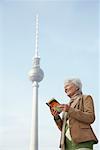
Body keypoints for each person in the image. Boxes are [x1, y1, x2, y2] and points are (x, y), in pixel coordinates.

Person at [50, 78, 98, 150]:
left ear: (77, 87)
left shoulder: (86, 98)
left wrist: (69, 110)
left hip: (82, 141)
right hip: (66, 144)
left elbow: (90, 118)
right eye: (64, 88)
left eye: (67, 86)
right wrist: (56, 117)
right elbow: (63, 128)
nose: (65, 89)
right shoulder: (67, 105)